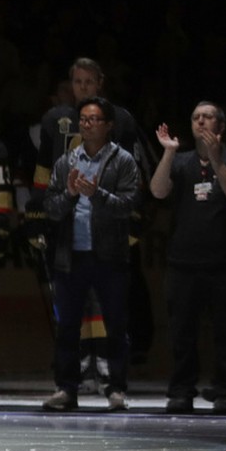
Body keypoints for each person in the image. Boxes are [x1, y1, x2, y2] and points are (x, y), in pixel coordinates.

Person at [40, 97, 142, 412]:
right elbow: (51, 210)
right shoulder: (66, 161)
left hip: (110, 257)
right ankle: (66, 389)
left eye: (94, 119)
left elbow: (129, 206)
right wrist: (71, 194)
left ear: (109, 125)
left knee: (115, 326)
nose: (86, 124)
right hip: (71, 256)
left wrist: (96, 194)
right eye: (83, 119)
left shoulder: (123, 161)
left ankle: (117, 389)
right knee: (68, 326)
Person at [150, 103, 226, 414]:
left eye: (207, 116)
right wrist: (168, 151)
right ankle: (181, 391)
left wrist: (218, 161)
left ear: (220, 124)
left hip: (224, 263)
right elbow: (157, 191)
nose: (200, 120)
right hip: (183, 264)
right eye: (195, 117)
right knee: (182, 333)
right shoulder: (181, 162)